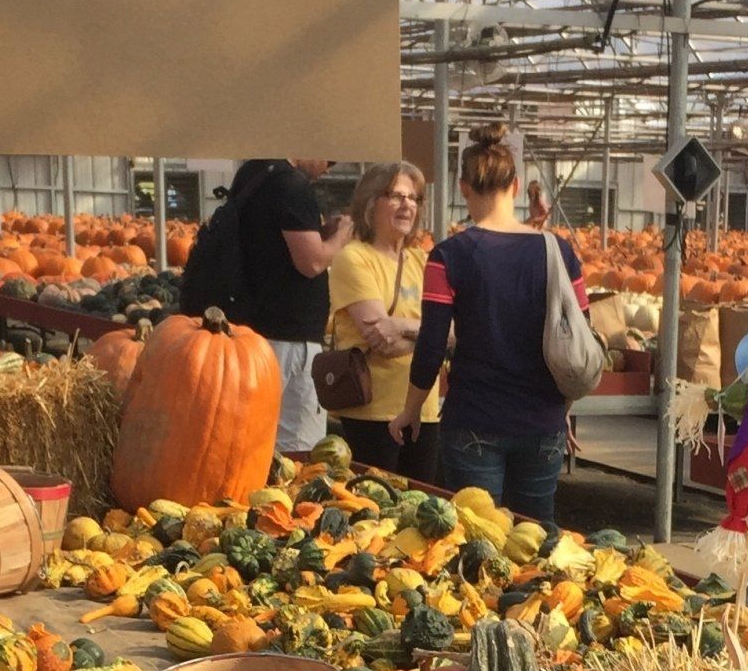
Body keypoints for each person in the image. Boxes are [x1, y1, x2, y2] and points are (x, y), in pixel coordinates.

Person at [394, 121, 584, 525]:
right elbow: (580, 340)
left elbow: (430, 345)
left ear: (463, 187)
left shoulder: (448, 256)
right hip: (543, 423)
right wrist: (560, 408)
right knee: (534, 541)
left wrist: (410, 409)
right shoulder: (559, 253)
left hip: (474, 420)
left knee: (476, 538)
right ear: (516, 187)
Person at [228, 157, 351, 454]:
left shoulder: (253, 172)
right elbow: (311, 262)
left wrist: (319, 234)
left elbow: (275, 245)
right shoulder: (291, 185)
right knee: (296, 448)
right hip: (289, 336)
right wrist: (341, 237)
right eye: (330, 159)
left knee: (247, 438)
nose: (328, 168)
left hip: (253, 328)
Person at [326, 162, 435, 479]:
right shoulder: (353, 258)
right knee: (376, 510)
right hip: (373, 411)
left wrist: (400, 325)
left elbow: (455, 331)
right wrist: (432, 338)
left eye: (413, 198)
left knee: (422, 512)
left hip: (424, 409)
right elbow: (382, 342)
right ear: (372, 203)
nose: (407, 205)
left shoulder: (423, 260)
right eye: (397, 196)